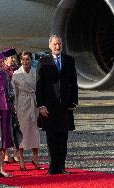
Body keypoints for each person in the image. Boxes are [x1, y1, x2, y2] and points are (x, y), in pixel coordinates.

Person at [36, 35, 78, 175]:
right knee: (52, 139)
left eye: (59, 44)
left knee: (63, 139)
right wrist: (40, 105)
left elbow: (74, 83)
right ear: (49, 46)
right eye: (55, 44)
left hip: (65, 106)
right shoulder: (43, 61)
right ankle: (53, 168)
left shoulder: (69, 60)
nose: (58, 46)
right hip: (50, 107)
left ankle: (62, 167)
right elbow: (39, 85)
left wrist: (74, 101)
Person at [12, 52, 44, 171]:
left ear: (31, 60)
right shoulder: (16, 74)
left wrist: (40, 104)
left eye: (28, 59)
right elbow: (14, 92)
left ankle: (35, 158)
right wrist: (14, 108)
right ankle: (20, 158)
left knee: (34, 132)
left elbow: (40, 89)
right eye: (23, 59)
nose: (25, 62)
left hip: (33, 103)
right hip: (21, 104)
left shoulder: (35, 72)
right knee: (22, 132)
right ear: (20, 61)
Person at [1, 48, 20, 164]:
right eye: (11, 58)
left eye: (14, 58)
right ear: (5, 59)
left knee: (17, 129)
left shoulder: (18, 70)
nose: (13, 60)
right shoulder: (3, 71)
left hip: (17, 103)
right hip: (6, 103)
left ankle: (16, 153)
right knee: (6, 129)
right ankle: (6, 154)